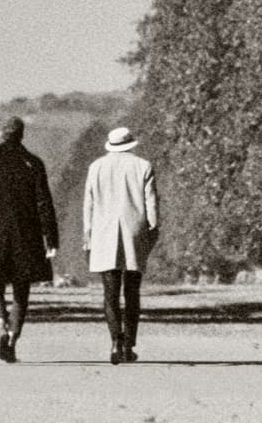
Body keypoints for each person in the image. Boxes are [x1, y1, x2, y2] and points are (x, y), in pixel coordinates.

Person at [0, 116, 59, 363]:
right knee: (22, 287)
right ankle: (13, 334)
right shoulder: (33, 164)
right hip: (26, 235)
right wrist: (50, 237)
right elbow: (44, 203)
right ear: (22, 135)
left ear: (2, 134)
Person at [83, 126, 159, 364]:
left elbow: (89, 204)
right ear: (131, 144)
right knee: (132, 291)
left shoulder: (96, 167)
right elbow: (151, 203)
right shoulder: (143, 166)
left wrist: (88, 233)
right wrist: (153, 230)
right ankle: (129, 343)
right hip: (134, 231)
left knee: (110, 292)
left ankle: (115, 340)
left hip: (104, 233)